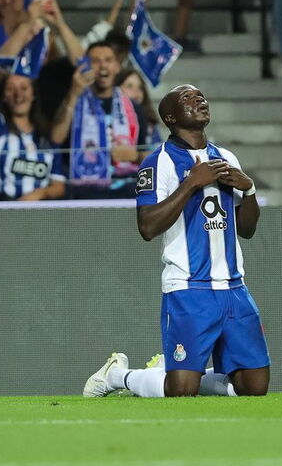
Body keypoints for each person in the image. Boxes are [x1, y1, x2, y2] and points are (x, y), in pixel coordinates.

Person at [83, 84, 269, 398]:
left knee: (253, 389)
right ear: (170, 117)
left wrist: (248, 190)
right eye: (187, 98)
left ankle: (180, 371)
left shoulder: (226, 157)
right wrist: (191, 185)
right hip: (188, 288)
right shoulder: (159, 163)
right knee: (181, 391)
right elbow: (147, 227)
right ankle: (118, 376)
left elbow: (246, 230)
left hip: (234, 289)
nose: (199, 100)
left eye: (201, 96)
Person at [50, 41, 152, 183]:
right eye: (96, 61)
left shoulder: (134, 108)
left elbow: (149, 154)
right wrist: (73, 95)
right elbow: (56, 138)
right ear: (86, 67)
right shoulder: (73, 102)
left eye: (108, 60)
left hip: (125, 190)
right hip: (82, 191)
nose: (103, 66)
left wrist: (136, 156)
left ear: (117, 67)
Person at [0, 67, 64, 201]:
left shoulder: (46, 135)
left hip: (38, 213)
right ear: (4, 96)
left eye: (24, 88)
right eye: (10, 89)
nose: (18, 95)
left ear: (33, 93)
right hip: (1, 209)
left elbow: (59, 186)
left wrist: (38, 194)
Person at [115, 69, 162, 146]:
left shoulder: (150, 123)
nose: (136, 91)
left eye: (140, 87)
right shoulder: (110, 119)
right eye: (129, 86)